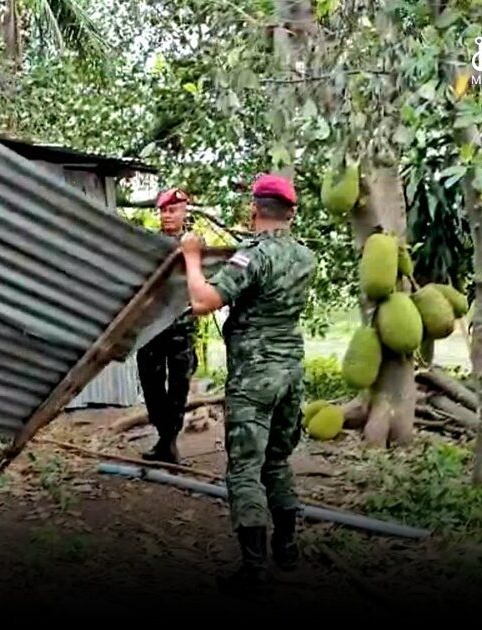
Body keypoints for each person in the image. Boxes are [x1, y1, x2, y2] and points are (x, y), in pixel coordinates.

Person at [178, 174, 316, 588]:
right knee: (277, 461)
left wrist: (191, 256)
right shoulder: (306, 258)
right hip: (291, 372)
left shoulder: (252, 256)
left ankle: (254, 568)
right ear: (291, 212)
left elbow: (203, 302)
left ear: (254, 209)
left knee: (245, 469)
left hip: (255, 377)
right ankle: (287, 549)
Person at [136, 187, 198, 464]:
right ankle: (165, 435)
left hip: (181, 327)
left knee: (178, 386)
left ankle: (169, 440)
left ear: (185, 211)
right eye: (162, 210)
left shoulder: (196, 246)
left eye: (172, 210)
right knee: (151, 383)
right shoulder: (152, 245)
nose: (166, 215)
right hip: (152, 327)